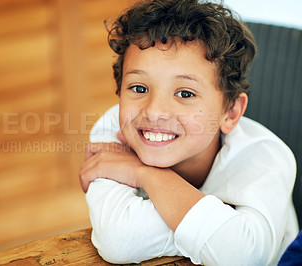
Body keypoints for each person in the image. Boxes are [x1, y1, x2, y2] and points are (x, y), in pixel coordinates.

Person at [79, 0, 298, 265]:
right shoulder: (113, 129)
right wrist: (221, 230)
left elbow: (247, 257)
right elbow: (119, 241)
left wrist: (143, 173)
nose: (154, 111)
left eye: (185, 93)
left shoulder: (267, 157)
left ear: (230, 113)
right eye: (138, 88)